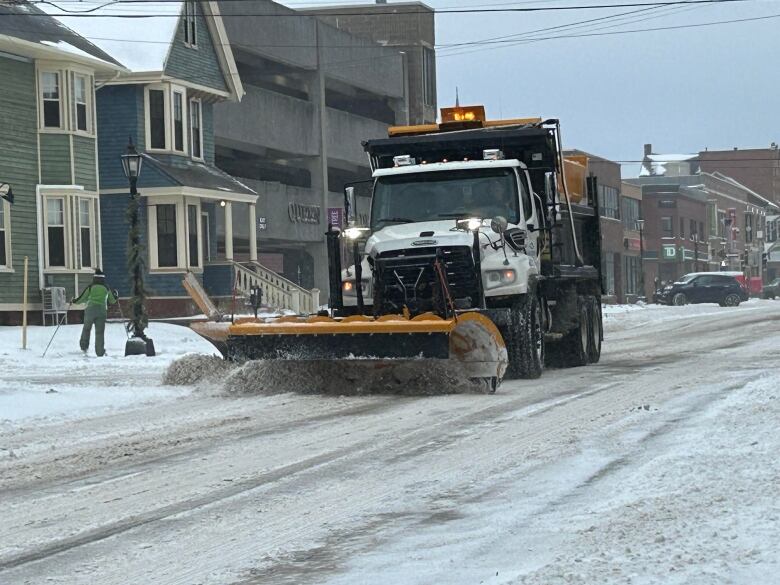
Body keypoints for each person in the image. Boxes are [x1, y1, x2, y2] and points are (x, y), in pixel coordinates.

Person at [72, 269, 118, 356]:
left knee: (86, 328)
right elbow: (112, 300)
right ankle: (100, 351)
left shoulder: (90, 287)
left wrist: (74, 301)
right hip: (101, 311)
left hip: (90, 311)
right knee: (99, 332)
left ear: (94, 278)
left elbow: (82, 298)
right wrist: (116, 296)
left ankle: (84, 346)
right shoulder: (106, 287)